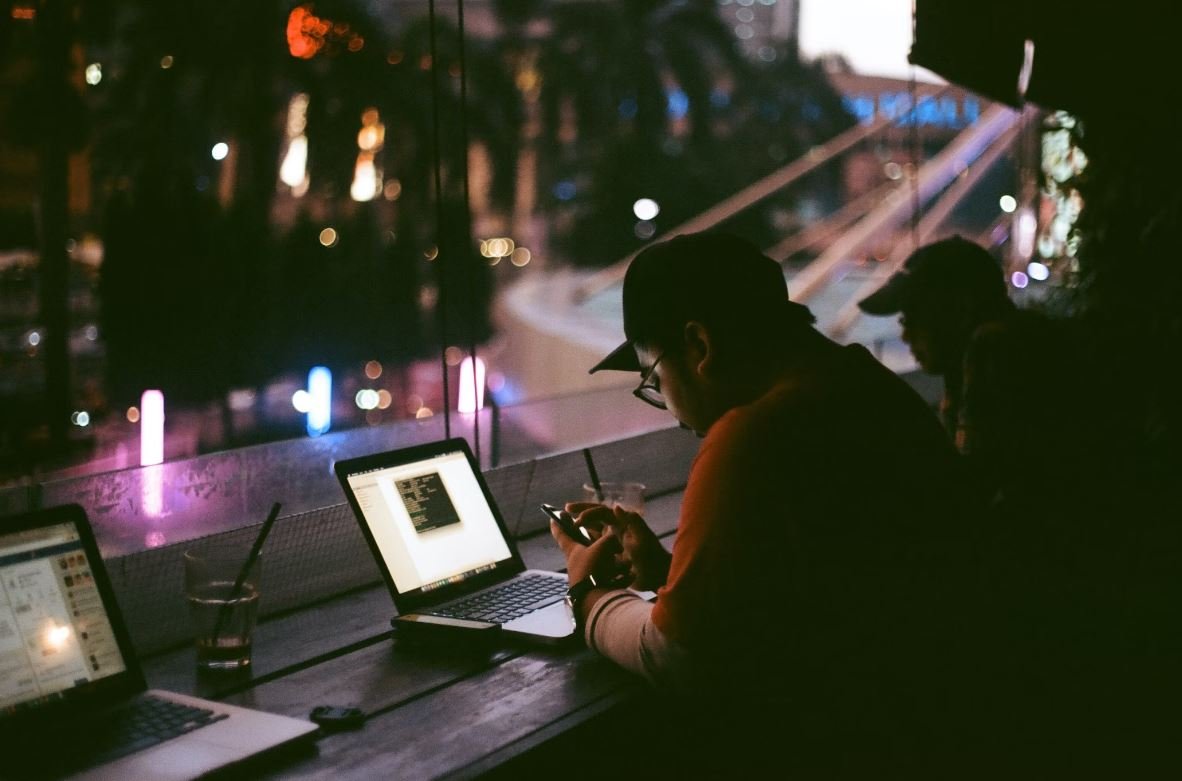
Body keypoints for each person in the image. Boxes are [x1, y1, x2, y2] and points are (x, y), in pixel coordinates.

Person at [549, 231, 983, 774]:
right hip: (943, 721)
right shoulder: (869, 388)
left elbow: (681, 660)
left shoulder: (752, 436)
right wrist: (672, 575)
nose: (673, 413)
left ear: (700, 348)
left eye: (655, 378)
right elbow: (810, 585)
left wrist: (589, 595)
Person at [857, 235, 1093, 509]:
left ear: (960, 309)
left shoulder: (994, 349)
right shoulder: (1017, 340)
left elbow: (969, 490)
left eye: (913, 317)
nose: (906, 336)